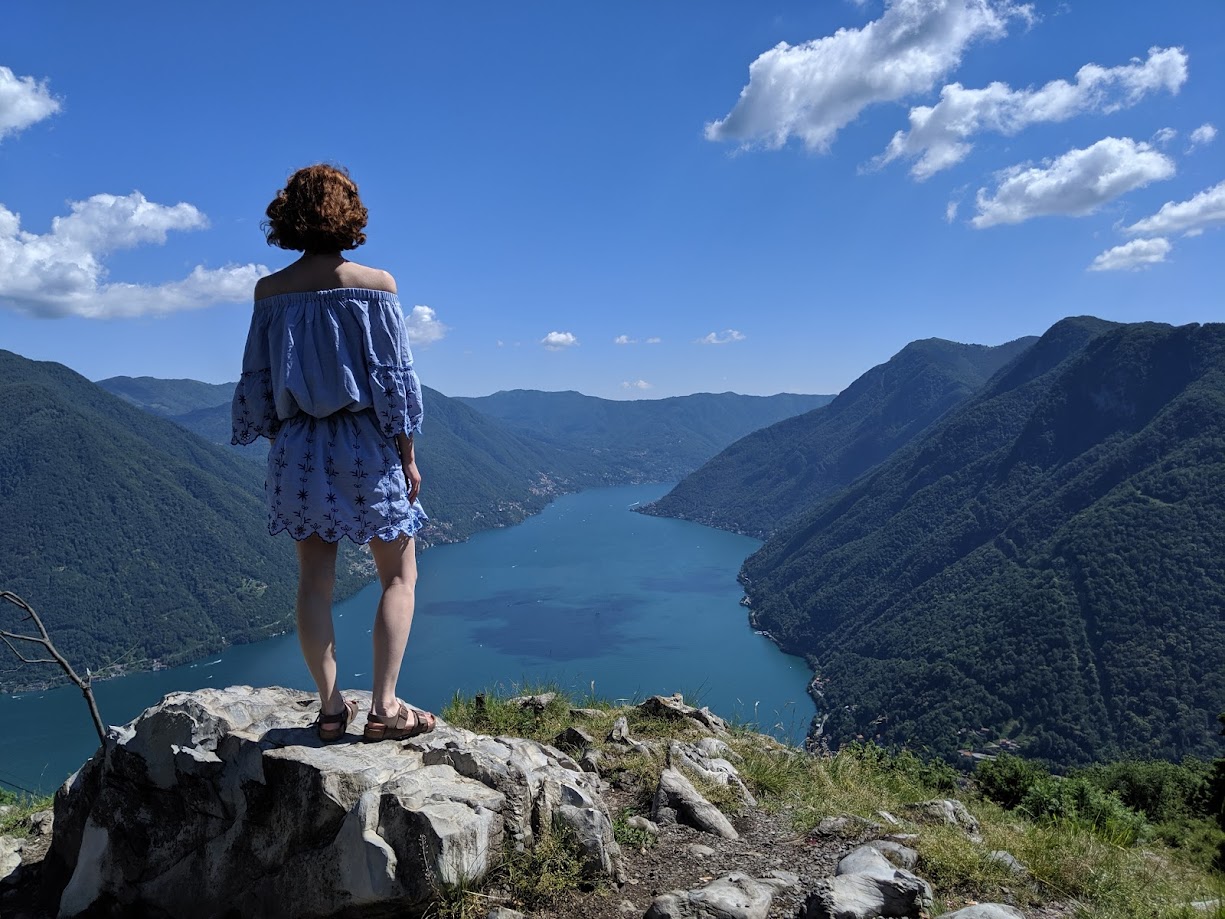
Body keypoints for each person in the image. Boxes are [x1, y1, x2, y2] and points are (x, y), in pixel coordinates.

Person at [231, 164, 435, 743]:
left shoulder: (269, 294)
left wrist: (287, 443)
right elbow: (395, 383)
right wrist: (408, 455)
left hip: (297, 444)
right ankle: (386, 708)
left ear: (287, 216)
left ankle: (329, 709)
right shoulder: (376, 286)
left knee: (313, 581)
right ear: (350, 214)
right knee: (399, 574)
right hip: (366, 441)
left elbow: (259, 382)